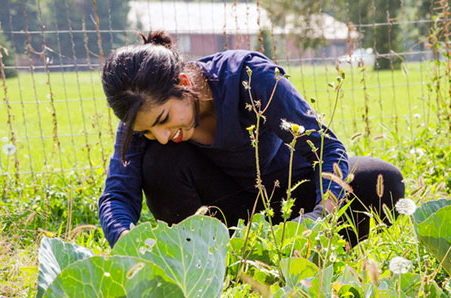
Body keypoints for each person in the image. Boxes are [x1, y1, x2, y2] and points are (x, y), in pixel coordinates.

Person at [99, 31, 405, 248]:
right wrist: (127, 242)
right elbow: (116, 196)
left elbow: (326, 148)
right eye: (148, 131)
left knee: (382, 180)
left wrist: (320, 215)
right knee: (158, 161)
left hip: (291, 197)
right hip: (223, 217)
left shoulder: (248, 76)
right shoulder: (141, 119)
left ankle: (314, 253)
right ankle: (210, 261)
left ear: (182, 82)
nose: (162, 136)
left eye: (164, 120)